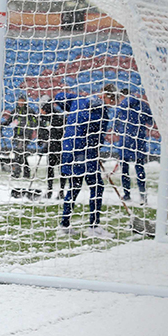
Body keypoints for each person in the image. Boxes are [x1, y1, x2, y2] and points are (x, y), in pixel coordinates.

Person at [58, 85, 118, 238]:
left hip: (68, 149)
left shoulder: (79, 100)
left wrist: (72, 110)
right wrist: (96, 149)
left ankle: (64, 224)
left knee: (74, 188)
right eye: (112, 101)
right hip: (84, 152)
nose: (112, 104)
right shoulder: (102, 113)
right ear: (107, 97)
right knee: (97, 187)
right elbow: (98, 138)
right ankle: (94, 226)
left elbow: (59, 97)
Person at [114, 88, 153, 204]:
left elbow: (116, 125)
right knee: (140, 168)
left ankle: (127, 194)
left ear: (122, 96)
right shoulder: (142, 105)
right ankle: (143, 195)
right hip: (138, 141)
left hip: (125, 142)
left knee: (124, 170)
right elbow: (150, 121)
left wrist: (118, 130)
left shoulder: (121, 106)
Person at [0, 93, 37, 179]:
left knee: (18, 153)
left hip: (26, 135)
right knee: (20, 154)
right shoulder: (15, 111)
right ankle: (25, 172)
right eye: (20, 101)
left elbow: (35, 121)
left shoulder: (29, 111)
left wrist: (30, 130)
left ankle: (17, 172)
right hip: (17, 135)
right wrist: (2, 124)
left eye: (22, 101)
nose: (21, 102)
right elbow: (9, 120)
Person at [37, 94, 65, 200]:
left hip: (58, 146)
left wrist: (49, 143)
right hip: (50, 147)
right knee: (50, 168)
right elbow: (42, 129)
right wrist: (41, 140)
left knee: (61, 169)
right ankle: (49, 190)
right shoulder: (42, 117)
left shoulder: (56, 116)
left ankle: (61, 191)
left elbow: (57, 133)